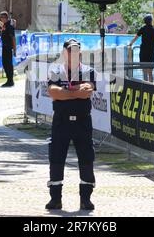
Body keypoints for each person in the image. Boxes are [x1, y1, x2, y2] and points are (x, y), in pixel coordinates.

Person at [46, 38, 97, 211]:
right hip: (61, 121)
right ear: (64, 52)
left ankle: (85, 199)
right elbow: (53, 92)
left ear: (80, 53)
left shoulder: (88, 71)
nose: (73, 53)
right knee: (56, 158)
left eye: (76, 51)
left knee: (86, 158)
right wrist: (75, 92)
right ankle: (55, 199)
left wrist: (64, 92)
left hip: (82, 122)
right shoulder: (55, 70)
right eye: (70, 50)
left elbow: (87, 92)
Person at [128, 14, 154, 83]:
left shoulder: (142, 28)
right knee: (150, 71)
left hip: (143, 51)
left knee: (144, 70)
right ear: (151, 21)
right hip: (152, 52)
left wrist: (130, 44)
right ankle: (151, 86)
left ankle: (145, 86)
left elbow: (135, 38)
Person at [0, 11, 16, 87]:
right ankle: (8, 79)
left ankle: (10, 80)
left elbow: (13, 38)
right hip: (5, 46)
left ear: (5, 18)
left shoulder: (9, 26)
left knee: (8, 64)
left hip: (8, 47)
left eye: (2, 17)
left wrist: (15, 49)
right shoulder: (5, 25)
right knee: (5, 63)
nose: (1, 19)